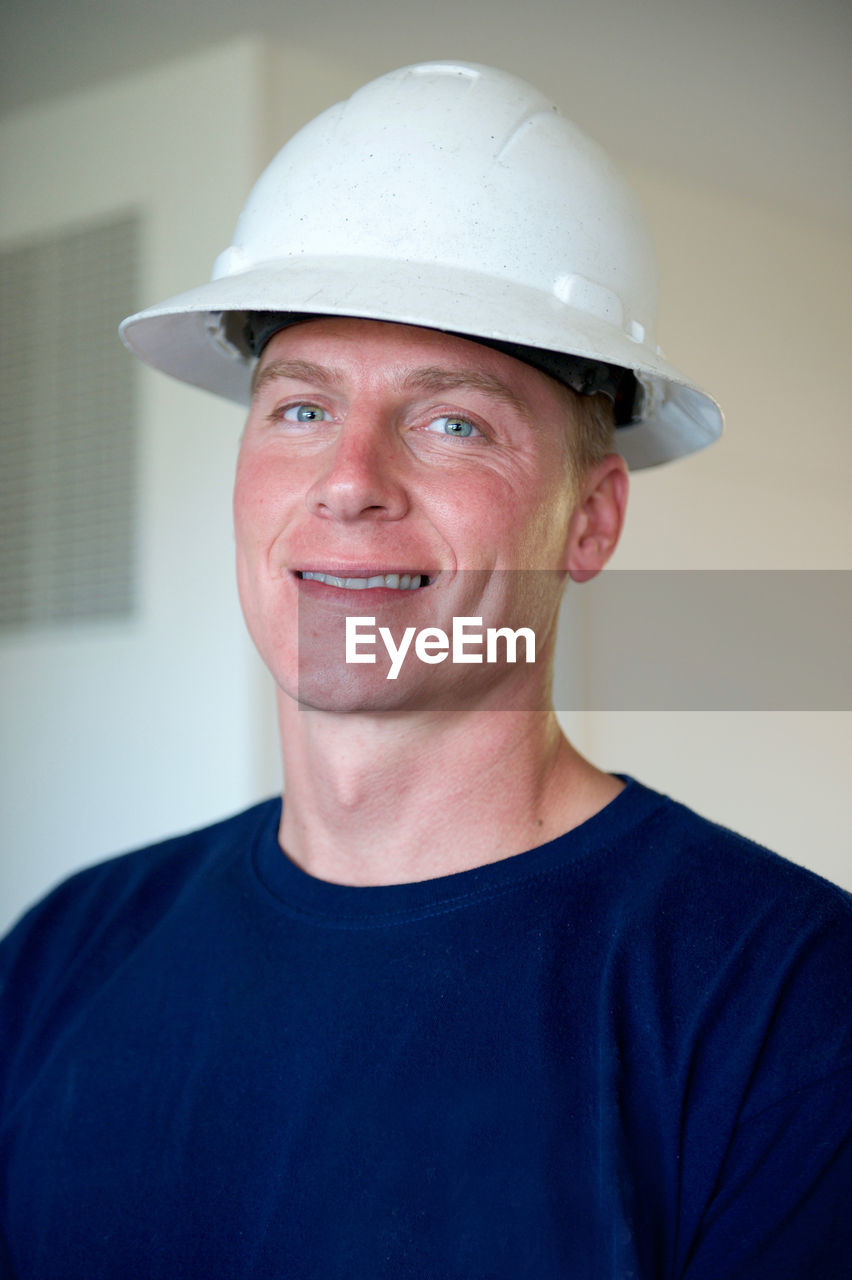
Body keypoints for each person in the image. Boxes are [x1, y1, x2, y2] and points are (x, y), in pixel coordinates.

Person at [1, 61, 849, 1279]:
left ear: (591, 520)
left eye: (451, 419)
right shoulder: (61, 956)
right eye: (298, 409)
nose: (349, 480)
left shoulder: (788, 1013)